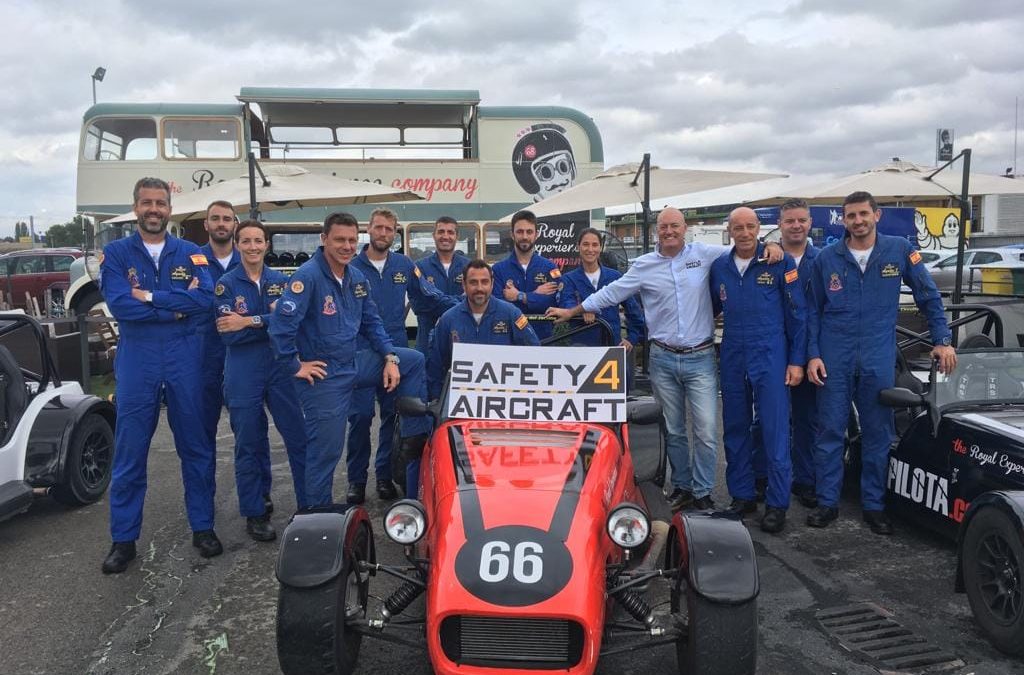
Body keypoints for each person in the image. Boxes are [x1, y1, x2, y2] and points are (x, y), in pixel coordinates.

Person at [547, 207, 783, 512]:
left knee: (707, 430)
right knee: (673, 430)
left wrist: (772, 246)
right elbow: (612, 293)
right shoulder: (644, 266)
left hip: (700, 358)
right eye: (664, 227)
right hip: (662, 358)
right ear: (657, 230)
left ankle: (702, 490)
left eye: (675, 226)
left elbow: (743, 245)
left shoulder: (706, 254)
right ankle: (683, 486)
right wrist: (572, 312)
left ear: (684, 228)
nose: (669, 231)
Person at [805, 191, 956, 535]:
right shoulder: (828, 258)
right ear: (843, 220)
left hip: (877, 357)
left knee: (878, 433)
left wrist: (942, 341)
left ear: (876, 215)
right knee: (829, 431)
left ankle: (874, 505)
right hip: (834, 358)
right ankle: (828, 502)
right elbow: (812, 311)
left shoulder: (899, 251)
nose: (857, 221)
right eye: (850, 216)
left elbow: (928, 295)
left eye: (862, 214)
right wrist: (812, 354)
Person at [269, 212, 432, 508]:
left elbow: (372, 322)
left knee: (413, 360)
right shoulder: (307, 277)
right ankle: (314, 516)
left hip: (353, 362)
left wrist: (389, 356)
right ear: (324, 240)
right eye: (340, 240)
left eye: (352, 240)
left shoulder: (355, 277)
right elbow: (280, 326)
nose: (346, 246)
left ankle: (411, 445)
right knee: (326, 452)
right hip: (324, 375)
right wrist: (295, 365)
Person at [100, 177, 217, 574]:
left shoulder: (191, 253)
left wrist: (150, 297)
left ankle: (203, 527)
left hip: (185, 355)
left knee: (196, 446)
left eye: (161, 203)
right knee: (131, 450)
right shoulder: (116, 254)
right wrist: (175, 308)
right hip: (138, 359)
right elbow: (120, 306)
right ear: (136, 208)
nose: (154, 209)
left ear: (170, 209)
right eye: (147, 203)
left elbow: (205, 300)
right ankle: (123, 539)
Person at [347, 208, 455, 503]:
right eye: (378, 227)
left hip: (395, 348)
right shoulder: (351, 267)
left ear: (395, 232)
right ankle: (356, 480)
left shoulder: (404, 265)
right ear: (368, 229)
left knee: (392, 416)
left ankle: (383, 476)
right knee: (359, 416)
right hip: (359, 348)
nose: (383, 233)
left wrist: (465, 306)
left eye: (389, 229)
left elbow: (429, 296)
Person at [710, 207, 806, 533]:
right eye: (738, 227)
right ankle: (742, 494)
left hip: (771, 354)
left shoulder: (779, 262)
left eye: (751, 226)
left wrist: (796, 361)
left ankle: (777, 503)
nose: (745, 232)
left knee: (775, 429)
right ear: (730, 230)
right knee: (734, 426)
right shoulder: (720, 267)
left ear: (759, 228)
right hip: (734, 352)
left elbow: (798, 316)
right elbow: (711, 306)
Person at [215, 220, 309, 542]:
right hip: (243, 371)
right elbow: (229, 335)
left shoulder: (283, 282)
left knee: (298, 437)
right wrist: (270, 321)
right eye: (247, 241)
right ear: (237, 245)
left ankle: (309, 507)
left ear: (267, 245)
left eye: (259, 241)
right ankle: (255, 512)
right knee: (249, 443)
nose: (253, 247)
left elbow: (292, 322)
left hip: (281, 368)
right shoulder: (226, 285)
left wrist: (250, 321)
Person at [427, 259, 540, 399]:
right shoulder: (448, 319)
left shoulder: (511, 314)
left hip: (504, 398)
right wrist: (438, 403)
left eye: (484, 282)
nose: (479, 288)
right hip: (461, 400)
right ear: (464, 285)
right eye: (473, 282)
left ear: (492, 284)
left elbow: (534, 354)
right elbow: (435, 368)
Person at [195, 202, 244, 499]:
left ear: (234, 224)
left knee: (249, 434)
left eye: (227, 219)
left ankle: (256, 500)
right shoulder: (192, 259)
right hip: (203, 358)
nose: (222, 224)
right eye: (216, 219)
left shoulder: (250, 258)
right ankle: (205, 504)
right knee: (202, 437)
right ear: (207, 224)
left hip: (242, 359)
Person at [778, 199, 821, 508]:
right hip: (776, 349)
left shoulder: (823, 260)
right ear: (780, 224)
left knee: (807, 419)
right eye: (790, 220)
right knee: (766, 420)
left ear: (810, 223)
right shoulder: (767, 258)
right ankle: (763, 475)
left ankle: (805, 479)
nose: (796, 225)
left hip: (811, 350)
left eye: (801, 220)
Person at [559, 228, 644, 350]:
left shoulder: (615, 277)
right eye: (586, 244)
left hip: (612, 346)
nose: (590, 249)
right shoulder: (568, 279)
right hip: (581, 348)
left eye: (595, 245)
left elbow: (633, 310)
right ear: (578, 246)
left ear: (600, 247)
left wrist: (632, 338)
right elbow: (567, 305)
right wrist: (583, 309)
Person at [492, 210, 561, 340]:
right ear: (512, 234)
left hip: (543, 339)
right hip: (509, 338)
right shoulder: (498, 269)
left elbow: (553, 303)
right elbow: (498, 305)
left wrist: (520, 296)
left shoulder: (550, 268)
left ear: (536, 234)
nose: (524, 236)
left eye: (529, 232)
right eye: (520, 231)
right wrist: (536, 294)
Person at [413, 216, 470, 354]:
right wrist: (461, 301)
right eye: (441, 232)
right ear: (434, 235)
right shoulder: (420, 267)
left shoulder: (469, 266)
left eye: (450, 232)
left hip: (463, 342)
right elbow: (419, 305)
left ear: (457, 236)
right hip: (428, 344)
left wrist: (434, 296)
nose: (445, 236)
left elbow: (476, 303)